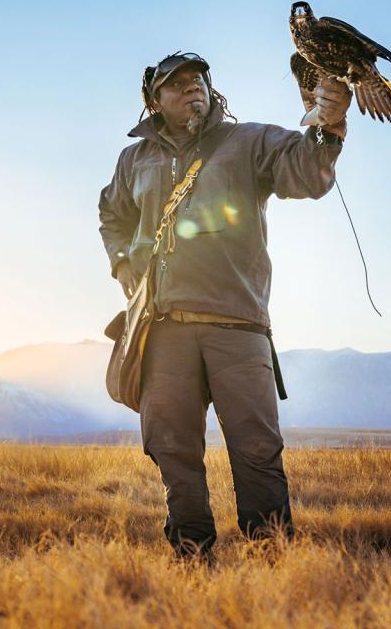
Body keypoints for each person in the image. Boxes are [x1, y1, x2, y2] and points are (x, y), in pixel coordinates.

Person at [97, 52, 352, 562]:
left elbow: (305, 172)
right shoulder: (134, 160)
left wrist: (330, 125)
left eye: (199, 82)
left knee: (257, 451)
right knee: (172, 449)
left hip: (238, 326)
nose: (192, 90)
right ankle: (192, 559)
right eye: (177, 85)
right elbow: (112, 215)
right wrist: (124, 268)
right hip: (161, 329)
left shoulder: (249, 141)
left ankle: (271, 560)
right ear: (154, 100)